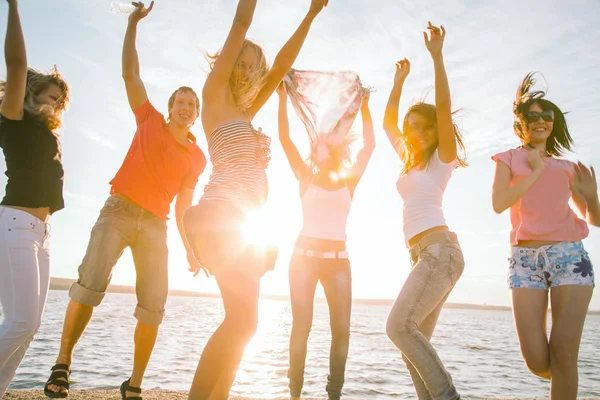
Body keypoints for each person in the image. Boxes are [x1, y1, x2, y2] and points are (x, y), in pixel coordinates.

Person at [44, 2, 206, 398]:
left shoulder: (196, 157)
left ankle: (134, 384)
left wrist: (191, 247)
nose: (185, 107)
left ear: (196, 114)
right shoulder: (149, 119)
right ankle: (62, 365)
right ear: (169, 109)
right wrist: (133, 23)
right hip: (118, 210)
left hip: (156, 224)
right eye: (180, 102)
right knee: (90, 285)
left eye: (192, 104)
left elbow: (185, 205)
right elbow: (129, 72)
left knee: (154, 304)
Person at [182, 1, 329, 398]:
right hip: (219, 217)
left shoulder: (246, 113)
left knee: (244, 324)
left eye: (252, 66)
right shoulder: (213, 97)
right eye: (240, 62)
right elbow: (242, 20)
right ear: (225, 63)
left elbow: (281, 66)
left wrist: (311, 15)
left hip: (245, 228)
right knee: (243, 321)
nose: (245, 71)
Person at [491, 72, 597, 400]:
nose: (540, 121)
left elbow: (595, 219)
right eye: (532, 116)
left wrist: (592, 197)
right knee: (537, 360)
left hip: (570, 258)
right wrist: (535, 171)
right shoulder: (507, 159)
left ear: (553, 123)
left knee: (565, 355)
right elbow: (499, 204)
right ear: (520, 123)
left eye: (546, 116)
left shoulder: (568, 167)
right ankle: (566, 380)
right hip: (525, 261)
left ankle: (566, 380)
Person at [382, 22, 467, 400]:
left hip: (439, 253)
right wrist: (399, 81)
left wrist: (437, 56)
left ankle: (449, 396)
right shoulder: (409, 160)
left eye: (423, 127)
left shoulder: (442, 159)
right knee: (410, 347)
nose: (415, 133)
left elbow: (445, 108)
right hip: (422, 255)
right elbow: (388, 122)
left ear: (435, 131)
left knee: (398, 328)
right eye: (410, 127)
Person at [277, 74, 374, 400]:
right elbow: (286, 140)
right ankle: (294, 394)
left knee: (341, 332)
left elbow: (370, 147)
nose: (318, 145)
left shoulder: (349, 179)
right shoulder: (305, 176)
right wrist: (281, 99)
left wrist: (367, 108)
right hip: (302, 260)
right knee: (301, 327)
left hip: (338, 264)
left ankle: (333, 395)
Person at [0, 0, 70, 396]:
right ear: (30, 95)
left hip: (41, 234)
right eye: (49, 95)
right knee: (21, 324)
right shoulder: (15, 121)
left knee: (26, 328)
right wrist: (12, 5)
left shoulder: (47, 135)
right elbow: (14, 66)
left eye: (60, 99)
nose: (56, 103)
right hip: (15, 226)